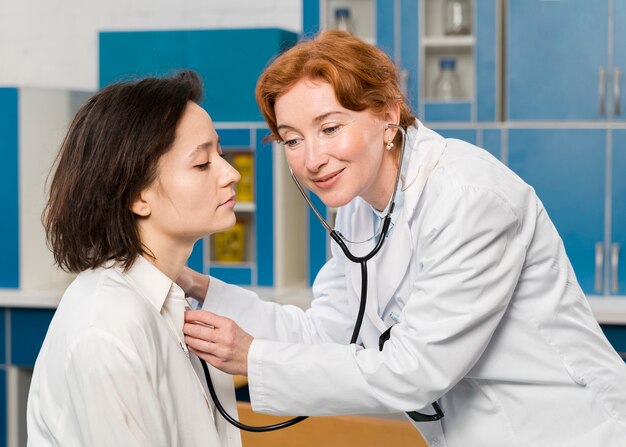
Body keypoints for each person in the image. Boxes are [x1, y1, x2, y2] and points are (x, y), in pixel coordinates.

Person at [181, 30, 626, 446]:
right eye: (292, 140)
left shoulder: (467, 197)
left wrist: (253, 359)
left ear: (388, 116)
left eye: (330, 128)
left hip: (571, 431)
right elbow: (330, 333)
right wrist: (205, 292)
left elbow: (415, 370)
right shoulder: (357, 205)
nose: (312, 159)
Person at [27, 70, 242, 446]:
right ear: (136, 196)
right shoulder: (108, 329)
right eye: (202, 164)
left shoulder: (167, 300)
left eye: (220, 154)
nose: (231, 174)